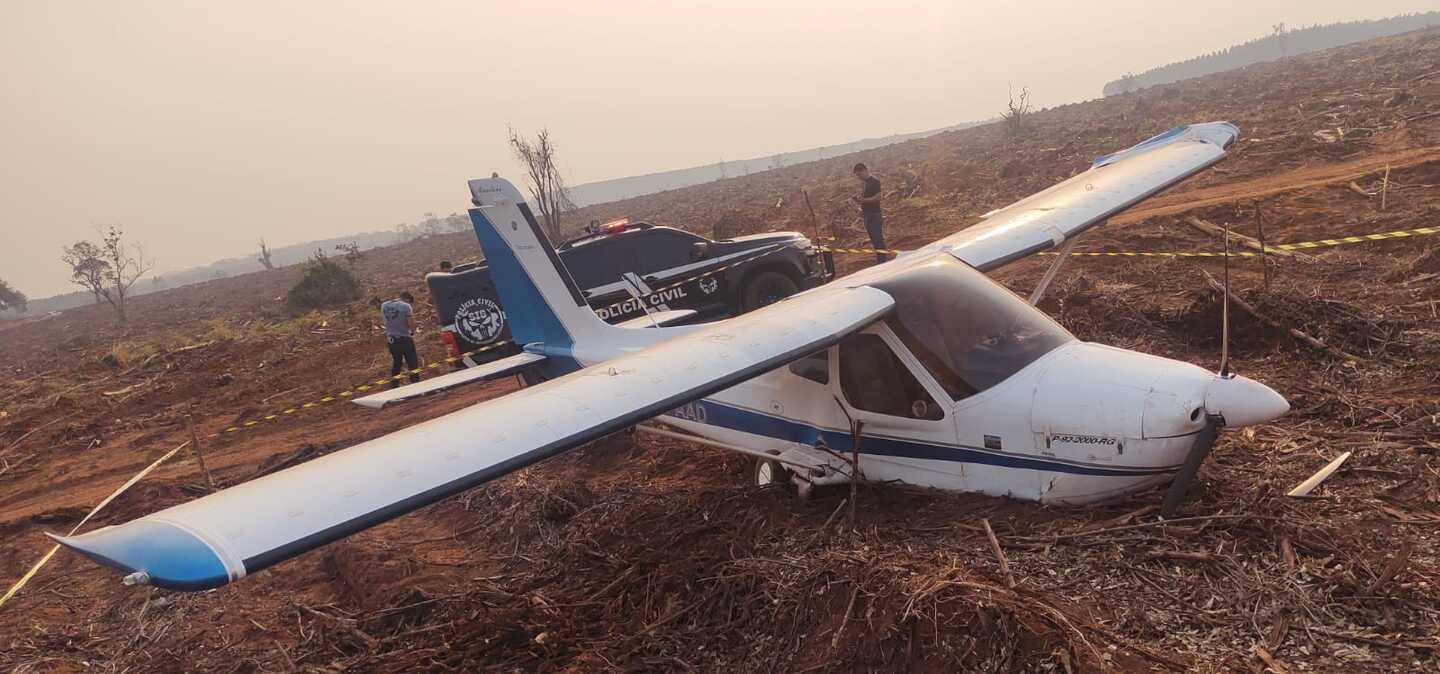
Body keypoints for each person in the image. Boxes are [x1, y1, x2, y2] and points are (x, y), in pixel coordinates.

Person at [380, 292, 420, 389]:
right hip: (405, 338)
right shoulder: (406, 306)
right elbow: (410, 323)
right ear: (407, 299)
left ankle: (394, 385)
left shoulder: (384, 305)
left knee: (397, 362)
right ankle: (417, 385)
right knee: (412, 362)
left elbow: (385, 321)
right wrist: (414, 329)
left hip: (391, 340)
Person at [851, 163, 887, 263]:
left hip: (874, 215)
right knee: (875, 240)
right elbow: (866, 199)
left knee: (878, 239)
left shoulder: (874, 182)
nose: (859, 177)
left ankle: (883, 261)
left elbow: (878, 197)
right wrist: (858, 201)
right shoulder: (866, 183)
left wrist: (863, 200)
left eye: (859, 174)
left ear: (865, 170)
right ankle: (881, 260)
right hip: (868, 215)